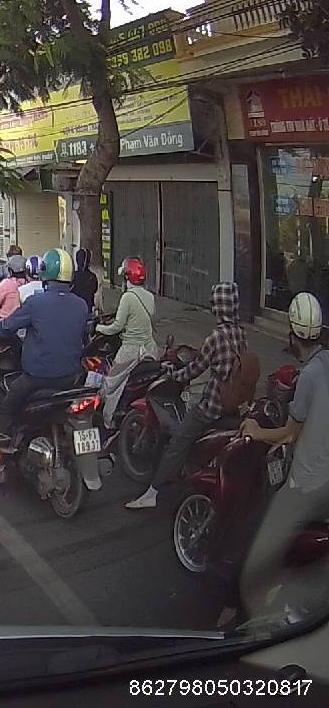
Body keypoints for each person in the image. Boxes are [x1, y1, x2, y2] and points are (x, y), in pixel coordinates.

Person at [238, 292, 329, 617]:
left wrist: (255, 431)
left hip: (309, 483)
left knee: (262, 545)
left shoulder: (309, 376)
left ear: (292, 334)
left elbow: (290, 433)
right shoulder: (325, 363)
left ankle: (258, 608)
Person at [125, 282, 248, 510]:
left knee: (179, 440)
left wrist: (173, 375)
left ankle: (152, 493)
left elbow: (195, 370)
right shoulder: (240, 334)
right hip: (235, 402)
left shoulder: (216, 337)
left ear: (218, 307)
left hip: (213, 405)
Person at [0, 248, 89, 434]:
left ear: (44, 271)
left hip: (37, 377)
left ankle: (4, 448)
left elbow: (7, 327)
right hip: (70, 377)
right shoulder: (81, 305)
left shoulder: (35, 302)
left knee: (6, 408)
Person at [96, 257, 157, 430]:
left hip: (130, 350)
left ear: (126, 278)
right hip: (150, 349)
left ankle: (107, 422)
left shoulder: (127, 297)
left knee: (111, 384)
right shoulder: (150, 297)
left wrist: (99, 328)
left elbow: (117, 326)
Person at [71, 248, 100, 314]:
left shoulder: (73, 276)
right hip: (87, 309)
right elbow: (95, 290)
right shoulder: (92, 277)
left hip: (74, 309)